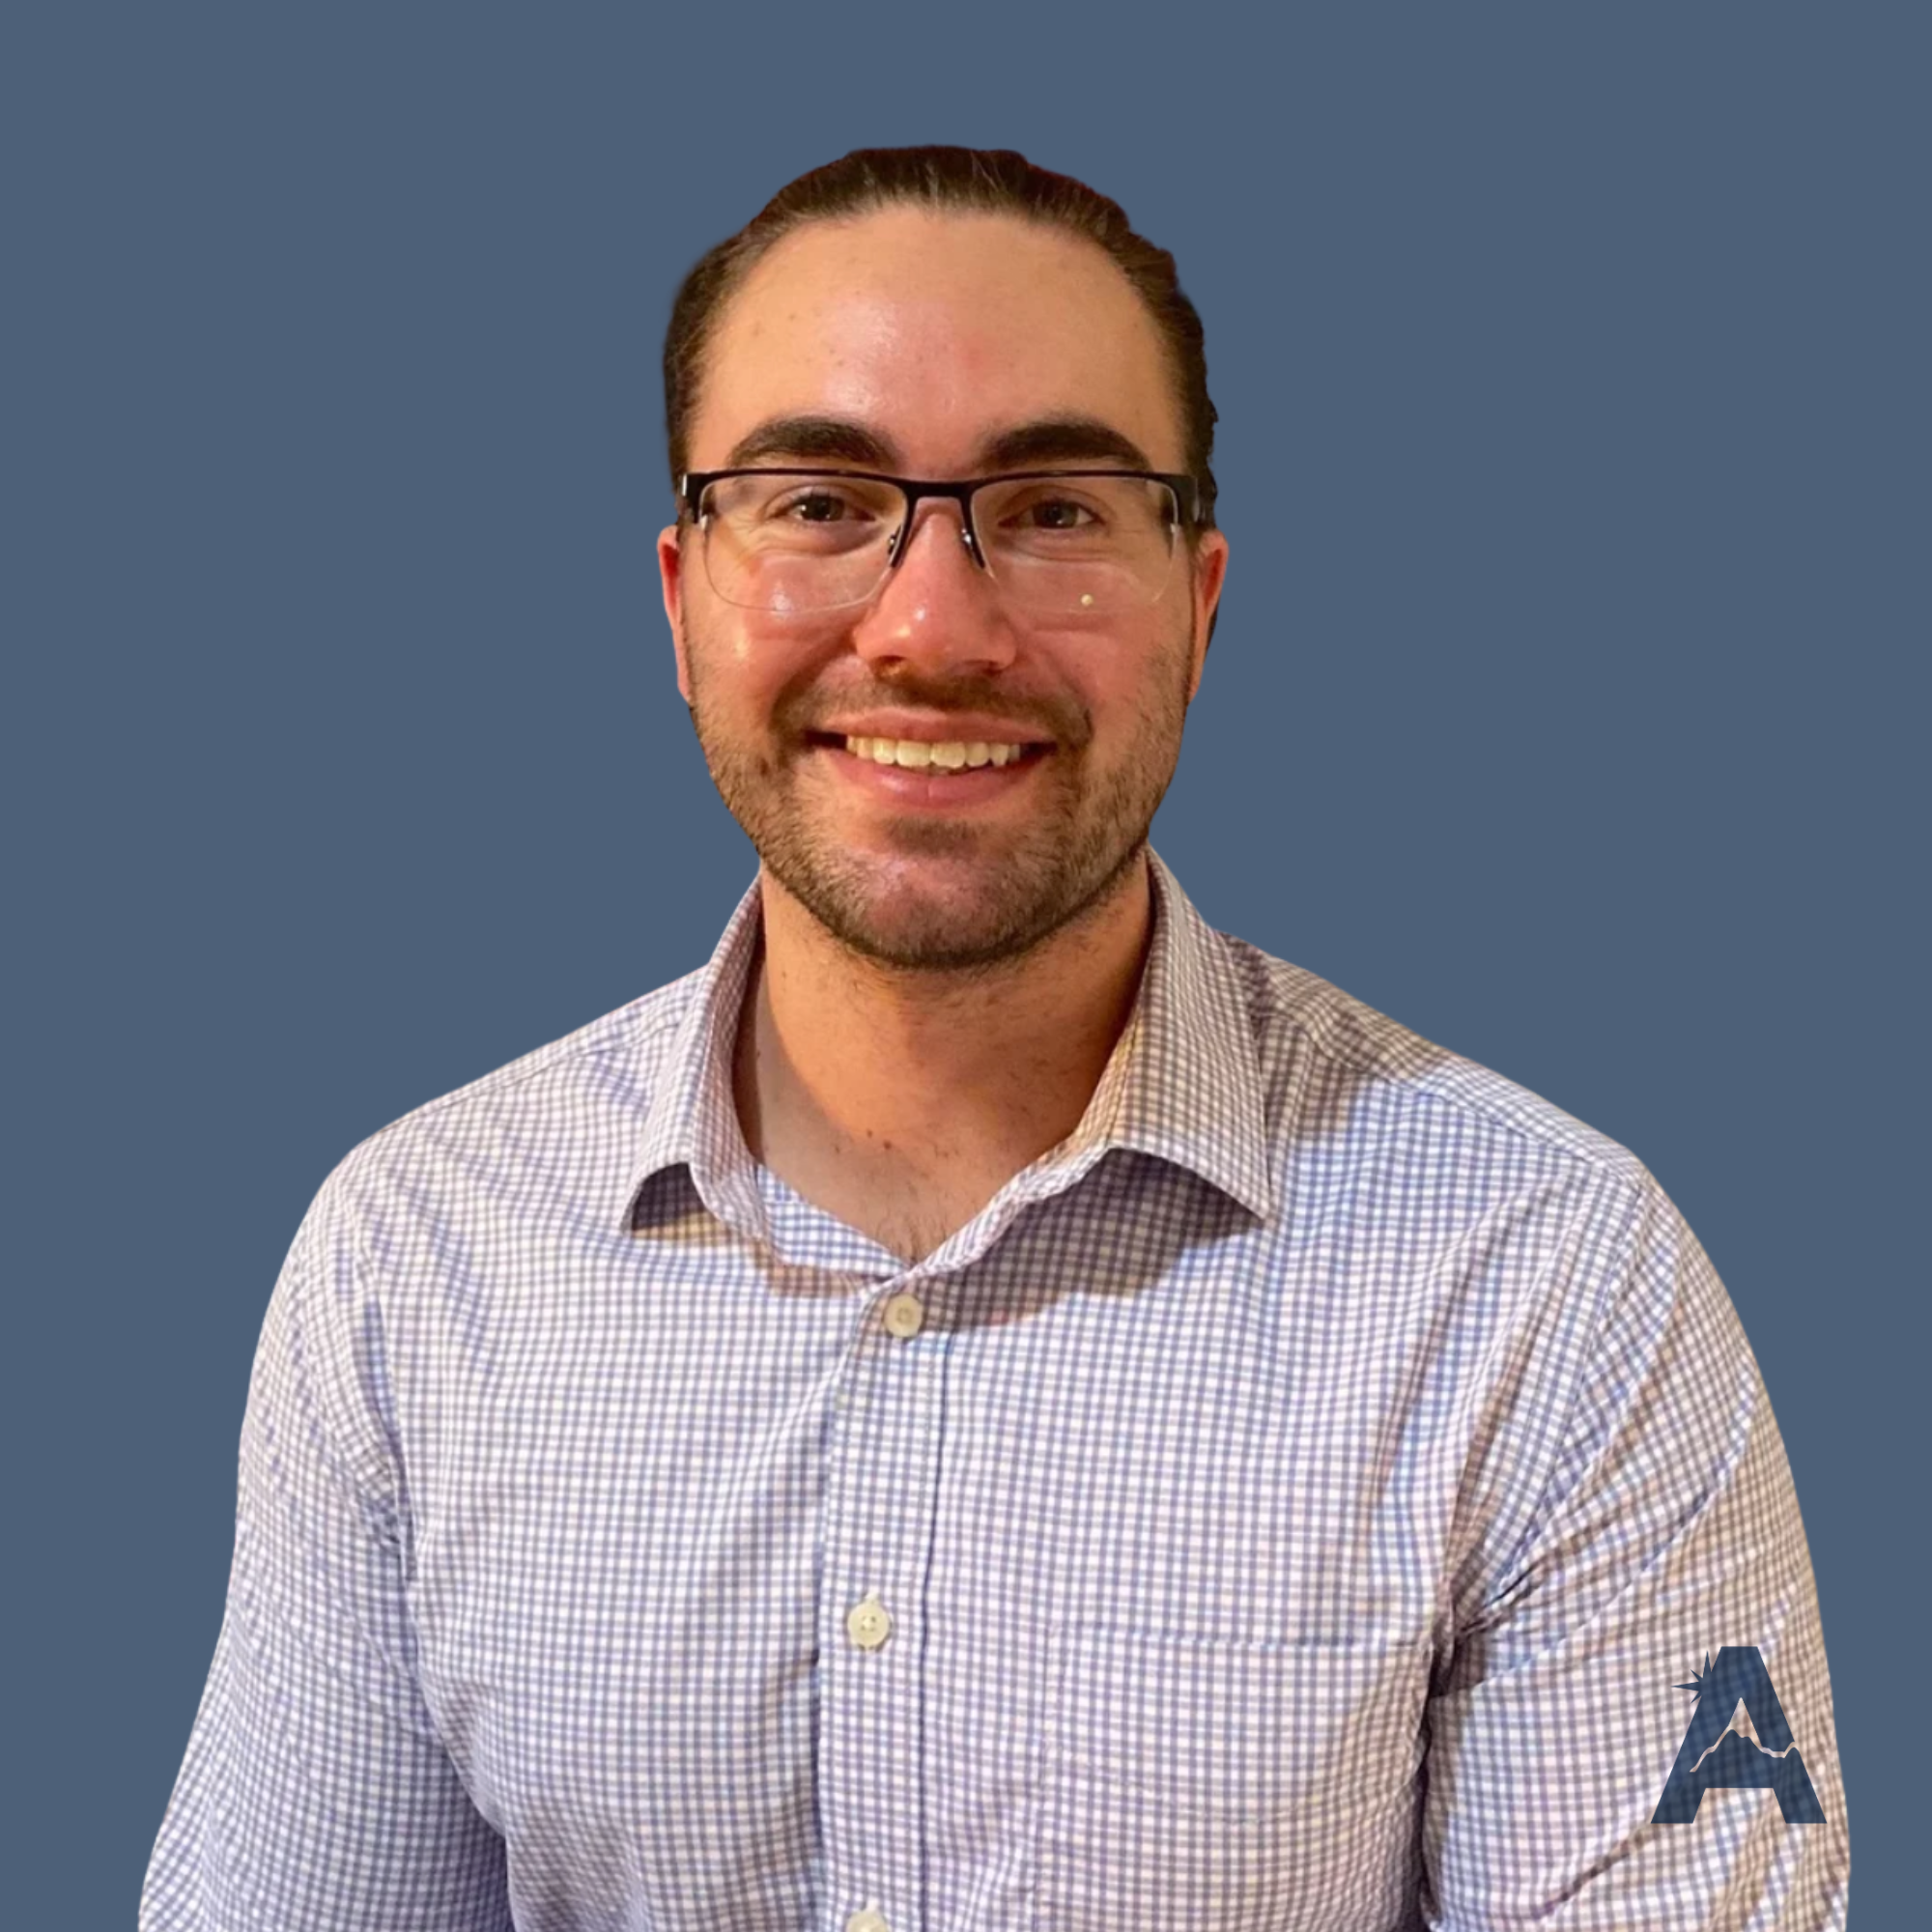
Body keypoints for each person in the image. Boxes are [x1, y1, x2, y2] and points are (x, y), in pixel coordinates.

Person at [141, 146, 1849, 1930]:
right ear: (681, 598)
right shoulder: (411, 1259)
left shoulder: (1552, 1283)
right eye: (816, 502)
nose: (933, 628)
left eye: (1052, 512)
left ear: (1199, 604)